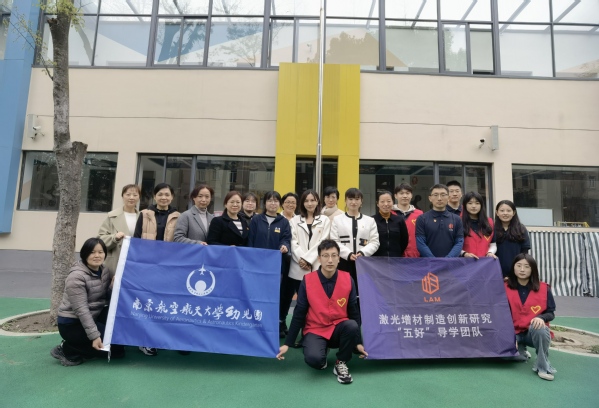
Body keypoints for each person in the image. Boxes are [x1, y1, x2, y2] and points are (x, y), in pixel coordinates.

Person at [276, 240, 368, 384]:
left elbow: (354, 312)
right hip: (315, 329)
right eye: (325, 256)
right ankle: (321, 350)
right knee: (315, 361)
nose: (330, 260)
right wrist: (288, 343)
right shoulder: (308, 280)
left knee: (352, 325)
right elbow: (299, 313)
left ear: (339, 258)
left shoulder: (348, 279)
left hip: (339, 328)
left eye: (334, 255)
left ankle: (341, 362)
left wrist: (358, 343)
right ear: (319, 258)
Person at [50, 238, 124, 366]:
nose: (97, 256)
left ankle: (82, 345)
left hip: (94, 315)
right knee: (115, 352)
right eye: (92, 252)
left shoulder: (104, 271)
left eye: (100, 252)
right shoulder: (76, 277)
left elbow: (106, 298)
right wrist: (95, 336)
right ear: (84, 254)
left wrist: (112, 287)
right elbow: (81, 310)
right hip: (72, 323)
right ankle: (67, 349)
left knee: (120, 345)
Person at [134, 183, 180, 356]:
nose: (164, 197)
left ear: (172, 197)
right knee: (147, 304)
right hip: (148, 267)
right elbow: (137, 240)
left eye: (167, 194)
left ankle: (159, 338)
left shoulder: (178, 216)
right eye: (160, 194)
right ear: (154, 196)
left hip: (168, 268)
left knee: (163, 304)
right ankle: (144, 341)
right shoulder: (144, 214)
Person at [282, 190, 331, 338]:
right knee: (301, 303)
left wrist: (309, 260)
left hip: (315, 267)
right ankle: (296, 333)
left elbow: (323, 241)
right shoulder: (295, 220)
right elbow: (293, 242)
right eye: (306, 201)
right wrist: (303, 259)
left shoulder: (324, 220)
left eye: (312, 200)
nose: (309, 203)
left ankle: (310, 334)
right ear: (302, 203)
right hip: (298, 267)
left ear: (317, 202)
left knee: (314, 303)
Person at [505, 254, 557, 381]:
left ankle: (543, 366)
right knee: (503, 357)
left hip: (532, 333)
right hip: (513, 332)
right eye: (519, 266)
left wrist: (541, 318)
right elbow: (500, 313)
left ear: (533, 269)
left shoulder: (544, 288)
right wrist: (509, 336)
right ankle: (521, 351)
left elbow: (551, 313)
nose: (522, 270)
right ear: (513, 268)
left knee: (539, 327)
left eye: (527, 267)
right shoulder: (505, 286)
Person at [248, 191, 292, 332]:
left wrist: (284, 246)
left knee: (272, 296)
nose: (273, 203)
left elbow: (286, 239)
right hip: (256, 266)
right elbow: (250, 242)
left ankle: (270, 326)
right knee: (256, 295)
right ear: (265, 203)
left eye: (275, 201)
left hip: (275, 268)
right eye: (269, 200)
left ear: (280, 204)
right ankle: (255, 325)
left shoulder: (284, 222)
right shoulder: (256, 220)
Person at [330, 188, 379, 290]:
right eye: (350, 199)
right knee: (344, 289)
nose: (353, 202)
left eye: (357, 199)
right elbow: (334, 241)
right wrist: (348, 254)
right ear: (345, 200)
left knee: (363, 290)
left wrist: (363, 252)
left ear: (361, 201)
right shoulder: (337, 220)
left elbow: (375, 242)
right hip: (343, 261)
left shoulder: (370, 221)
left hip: (363, 262)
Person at [98, 184, 140, 277]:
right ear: (122, 196)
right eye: (128, 194)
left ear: (139, 197)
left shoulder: (143, 217)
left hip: (135, 260)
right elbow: (100, 239)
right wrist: (114, 238)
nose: (131, 197)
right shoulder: (112, 216)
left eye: (135, 195)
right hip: (116, 260)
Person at [415, 184, 463, 257]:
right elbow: (421, 243)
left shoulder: (457, 219)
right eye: (435, 195)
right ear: (430, 198)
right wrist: (434, 261)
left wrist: (448, 260)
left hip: (451, 262)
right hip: (428, 263)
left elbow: (459, 243)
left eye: (443, 195)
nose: (439, 198)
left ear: (448, 197)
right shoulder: (422, 219)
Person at [495, 200, 531, 277]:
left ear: (514, 213)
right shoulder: (491, 229)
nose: (505, 213)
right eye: (502, 210)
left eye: (508, 211)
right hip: (495, 272)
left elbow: (524, 253)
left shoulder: (521, 229)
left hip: (515, 273)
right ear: (497, 212)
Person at [460, 191, 497, 259]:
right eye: (470, 203)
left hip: (484, 262)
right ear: (465, 205)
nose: (474, 206)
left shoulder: (489, 222)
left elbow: (493, 244)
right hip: (465, 262)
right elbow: (454, 245)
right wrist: (464, 254)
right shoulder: (458, 221)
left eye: (477, 203)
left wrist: (490, 252)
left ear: (481, 205)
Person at [372, 190, 408, 257]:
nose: (386, 204)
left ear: (393, 202)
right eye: (382, 202)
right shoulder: (371, 220)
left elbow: (404, 240)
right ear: (377, 204)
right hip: (376, 259)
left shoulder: (399, 220)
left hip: (395, 259)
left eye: (389, 201)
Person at [393, 183, 423, 257]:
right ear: (395, 196)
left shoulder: (419, 214)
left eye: (407, 193)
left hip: (415, 255)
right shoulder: (390, 213)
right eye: (401, 193)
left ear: (411, 195)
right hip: (395, 255)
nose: (405, 196)